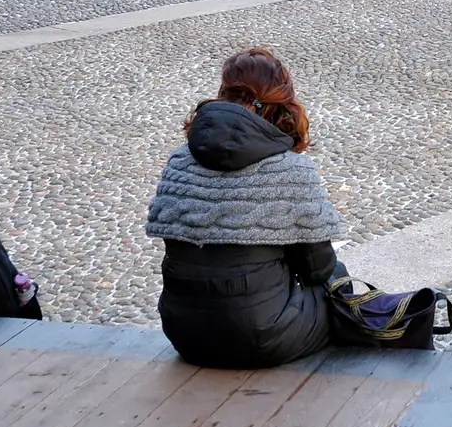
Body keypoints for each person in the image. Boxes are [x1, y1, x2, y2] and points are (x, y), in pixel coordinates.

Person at [146, 48, 346, 368]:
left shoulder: (180, 161)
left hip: (183, 333)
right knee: (338, 282)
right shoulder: (290, 170)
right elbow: (317, 268)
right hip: (263, 337)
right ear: (284, 103)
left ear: (222, 94)